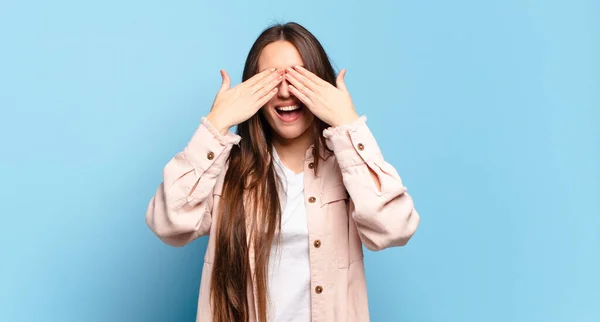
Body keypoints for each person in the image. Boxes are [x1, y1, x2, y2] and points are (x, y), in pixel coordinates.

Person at [146, 21, 420, 322]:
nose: (286, 92)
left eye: (299, 77)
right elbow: (168, 224)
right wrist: (216, 124)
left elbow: (395, 228)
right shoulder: (226, 169)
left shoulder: (347, 167)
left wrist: (348, 124)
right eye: (272, 79)